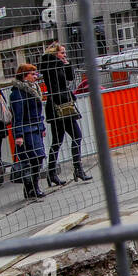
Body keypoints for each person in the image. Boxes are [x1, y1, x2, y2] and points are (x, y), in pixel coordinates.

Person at [38, 41, 91, 185]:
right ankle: (76, 169)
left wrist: (66, 63)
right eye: (62, 53)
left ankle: (52, 173)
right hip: (59, 106)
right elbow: (57, 85)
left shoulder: (57, 64)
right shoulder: (51, 66)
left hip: (60, 104)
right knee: (75, 136)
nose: (64, 55)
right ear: (55, 53)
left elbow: (70, 78)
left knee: (58, 140)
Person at [10, 63, 47, 200]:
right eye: (32, 74)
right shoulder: (17, 93)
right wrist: (18, 135)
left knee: (38, 157)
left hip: (35, 128)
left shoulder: (33, 89)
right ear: (24, 76)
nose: (36, 76)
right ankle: (31, 187)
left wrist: (41, 127)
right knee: (31, 159)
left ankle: (32, 186)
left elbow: (38, 111)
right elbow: (17, 115)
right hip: (26, 131)